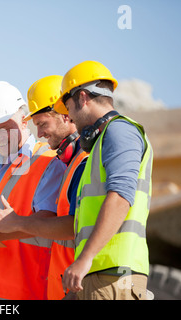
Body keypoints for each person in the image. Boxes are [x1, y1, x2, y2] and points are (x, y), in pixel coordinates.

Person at [0, 81, 66, 300]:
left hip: (19, 289)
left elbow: (48, 221)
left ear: (25, 121)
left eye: (6, 128)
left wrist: (0, 233)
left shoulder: (48, 163)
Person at [54, 61, 153, 300]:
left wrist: (85, 258)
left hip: (113, 274)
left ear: (83, 98)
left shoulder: (120, 131)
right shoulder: (101, 142)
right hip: (104, 274)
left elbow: (120, 197)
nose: (70, 118)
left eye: (69, 107)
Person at [0, 75, 88, 299]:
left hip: (81, 284)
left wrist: (16, 222)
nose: (40, 134)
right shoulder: (70, 162)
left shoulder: (84, 161)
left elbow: (73, 226)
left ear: (66, 115)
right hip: (65, 285)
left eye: (43, 124)